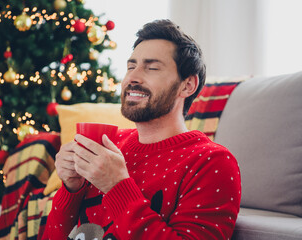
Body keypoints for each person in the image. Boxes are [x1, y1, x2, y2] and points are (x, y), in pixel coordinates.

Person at [43, 19, 241, 240]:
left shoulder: (212, 162)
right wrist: (71, 189)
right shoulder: (108, 146)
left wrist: (116, 185)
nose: (132, 78)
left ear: (188, 85)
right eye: (131, 66)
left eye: (152, 68)